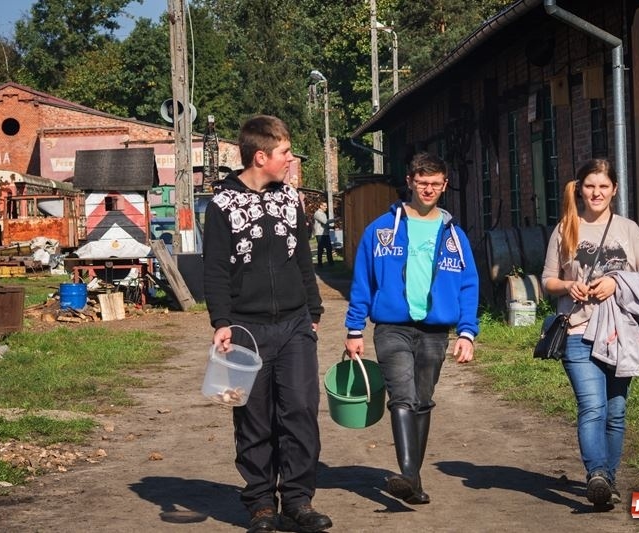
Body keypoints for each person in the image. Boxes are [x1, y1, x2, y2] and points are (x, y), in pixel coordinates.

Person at [203, 114, 332, 533]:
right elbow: (215, 270)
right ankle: (260, 503)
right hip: (245, 329)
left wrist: (312, 313)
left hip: (295, 325)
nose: (291, 160)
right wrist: (221, 322)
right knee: (253, 418)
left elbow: (302, 260)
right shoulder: (221, 205)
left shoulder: (290, 199)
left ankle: (298, 500)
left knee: (300, 411)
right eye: (285, 153)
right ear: (261, 156)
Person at [344, 152, 479, 505]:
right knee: (402, 397)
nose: (429, 189)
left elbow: (469, 286)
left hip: (435, 331)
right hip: (392, 328)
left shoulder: (455, 236)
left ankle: (413, 480)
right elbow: (363, 281)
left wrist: (467, 332)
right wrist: (354, 329)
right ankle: (406, 472)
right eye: (422, 182)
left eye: (435, 183)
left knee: (422, 400)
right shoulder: (380, 230)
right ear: (410, 182)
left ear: (445, 185)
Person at [541, 158, 639, 510]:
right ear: (579, 188)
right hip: (578, 331)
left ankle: (607, 484)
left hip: (620, 335)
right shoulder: (565, 228)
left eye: (603, 186)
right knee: (592, 406)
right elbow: (547, 279)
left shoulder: (628, 230)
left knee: (616, 411)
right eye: (590, 186)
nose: (596, 192)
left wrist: (616, 281)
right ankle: (596, 473)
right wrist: (567, 285)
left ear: (613, 190)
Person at [313, 201, 334, 267]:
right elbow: (325, 222)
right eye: (325, 206)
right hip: (320, 234)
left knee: (329, 248)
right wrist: (334, 219)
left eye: (326, 206)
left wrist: (331, 227)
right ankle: (319, 264)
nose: (326, 207)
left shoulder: (323, 213)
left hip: (325, 233)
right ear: (320, 206)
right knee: (321, 249)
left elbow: (325, 225)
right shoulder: (317, 213)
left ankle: (331, 263)